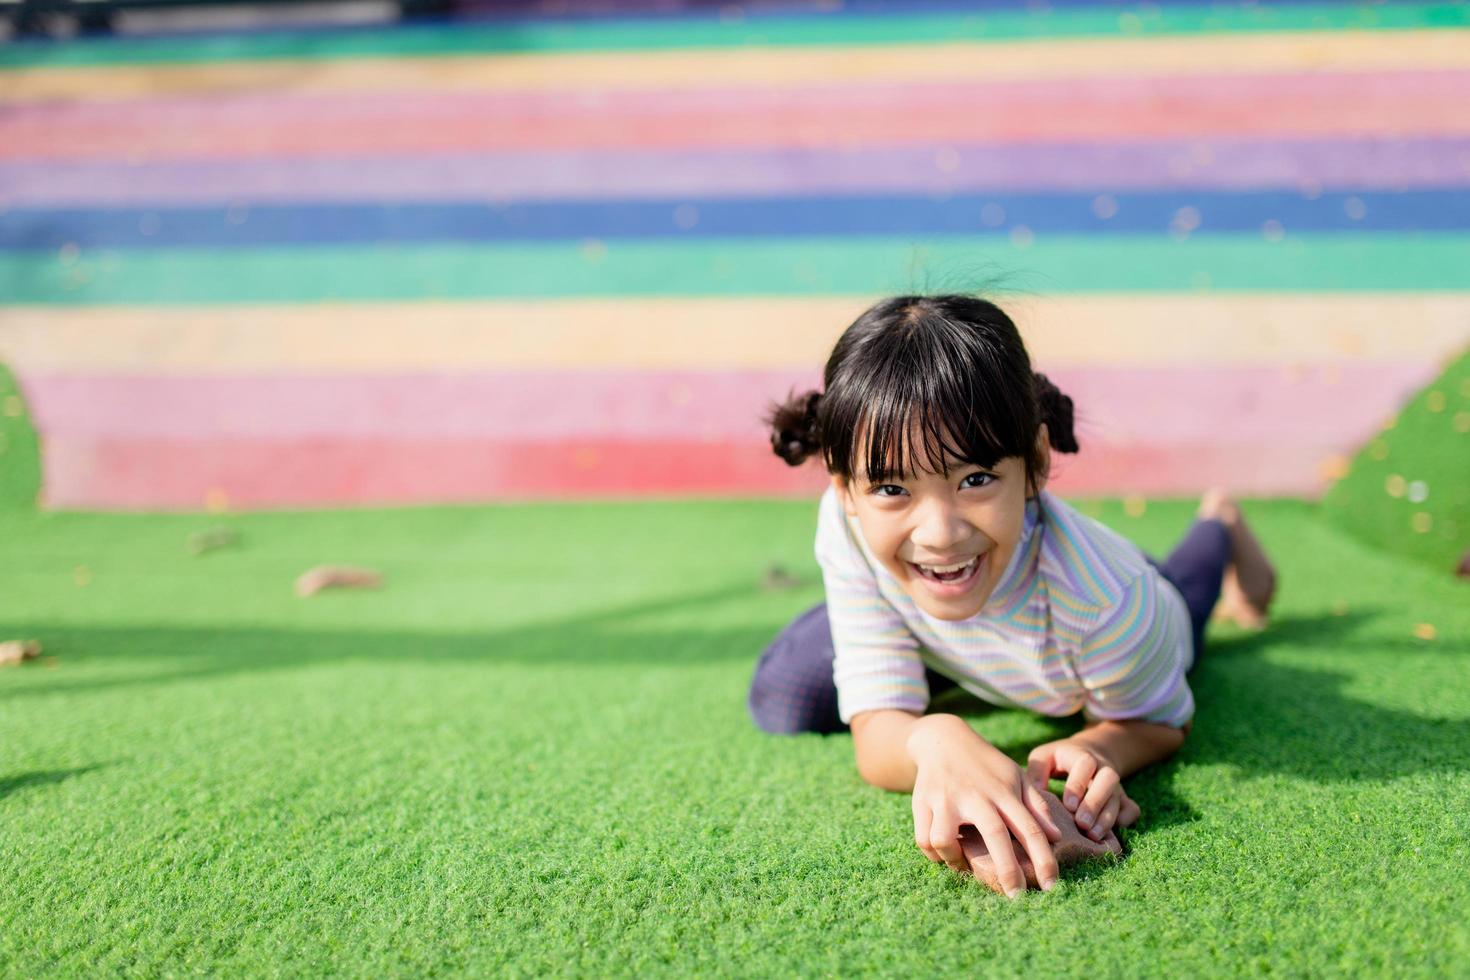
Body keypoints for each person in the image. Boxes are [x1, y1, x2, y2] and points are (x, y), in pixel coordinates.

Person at [747, 294, 1276, 897]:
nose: (939, 532)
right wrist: (934, 739)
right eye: (892, 488)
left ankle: (1219, 524)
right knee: (785, 701)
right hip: (941, 607)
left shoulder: (1112, 602)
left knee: (1185, 602)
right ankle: (935, 650)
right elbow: (878, 735)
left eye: (976, 479)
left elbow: (1154, 724)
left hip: (1099, 604)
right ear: (845, 490)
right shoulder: (848, 523)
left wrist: (1096, 746)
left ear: (1036, 465)